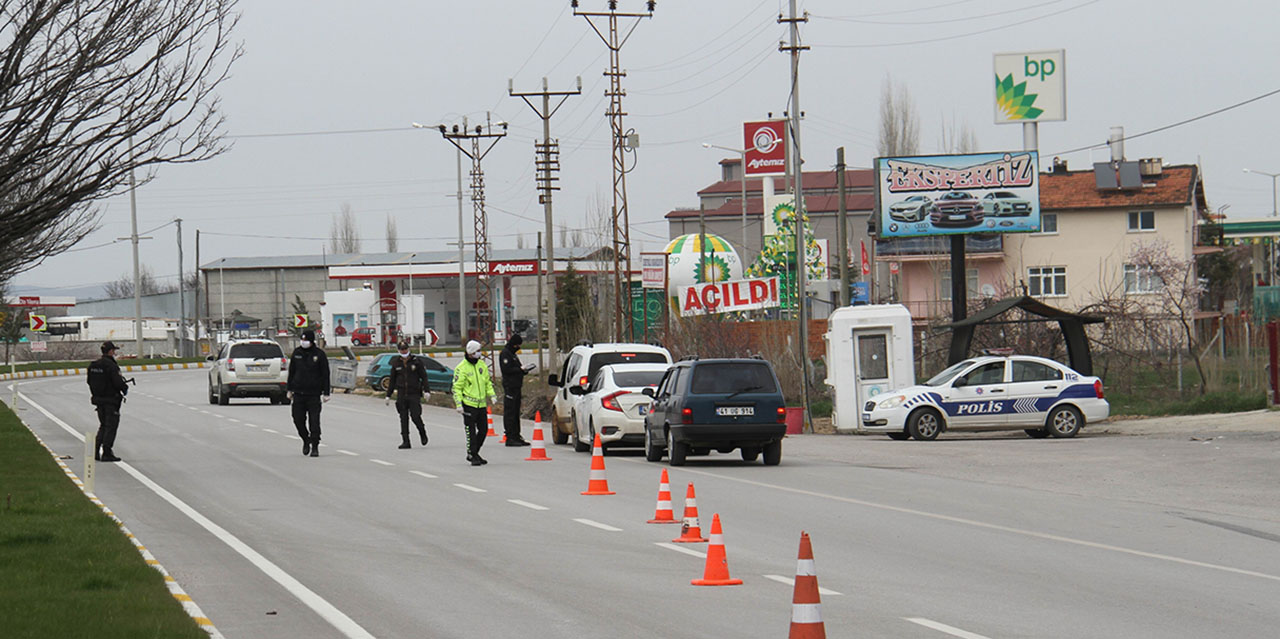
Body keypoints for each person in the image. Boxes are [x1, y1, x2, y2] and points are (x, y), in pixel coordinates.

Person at [453, 339, 496, 466]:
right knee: (470, 431)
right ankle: (473, 453)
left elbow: (487, 382)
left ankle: (474, 452)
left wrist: (492, 395)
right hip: (468, 405)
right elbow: (456, 388)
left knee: (484, 430)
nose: (479, 353)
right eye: (477, 351)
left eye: (480, 351)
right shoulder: (461, 368)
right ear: (470, 352)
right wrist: (459, 404)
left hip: (481, 404)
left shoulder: (481, 365)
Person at [288, 329, 331, 457]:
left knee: (314, 422)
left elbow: (325, 374)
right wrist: (289, 389)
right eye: (302, 340)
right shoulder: (297, 353)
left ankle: (315, 446)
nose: (303, 342)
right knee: (298, 420)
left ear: (312, 341)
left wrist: (326, 392)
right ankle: (306, 440)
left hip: (313, 394)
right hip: (298, 394)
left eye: (306, 340)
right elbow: (292, 372)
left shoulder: (319, 354)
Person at [86, 341, 130, 462]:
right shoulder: (111, 365)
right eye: (114, 351)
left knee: (103, 425)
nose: (114, 353)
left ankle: (95, 451)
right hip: (111, 400)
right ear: (110, 351)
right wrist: (124, 388)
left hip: (98, 400)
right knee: (111, 427)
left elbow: (89, 381)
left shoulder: (94, 365)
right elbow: (117, 382)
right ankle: (107, 452)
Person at [385, 339, 430, 449]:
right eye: (402, 350)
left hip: (414, 394)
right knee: (403, 418)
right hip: (401, 394)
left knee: (415, 416)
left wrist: (427, 391)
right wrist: (388, 395)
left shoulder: (416, 361)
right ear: (398, 350)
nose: (404, 352)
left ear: (408, 349)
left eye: (405, 349)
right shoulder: (396, 363)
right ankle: (406, 441)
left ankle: (422, 433)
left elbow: (423, 377)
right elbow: (392, 380)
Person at [498, 333, 536, 446]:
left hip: (517, 387)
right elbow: (507, 369)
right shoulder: (505, 354)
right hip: (510, 387)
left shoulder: (512, 354)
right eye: (517, 345)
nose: (518, 348)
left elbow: (516, 368)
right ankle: (510, 437)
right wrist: (519, 369)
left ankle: (516, 435)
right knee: (510, 412)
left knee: (515, 412)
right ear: (513, 344)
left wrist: (523, 370)